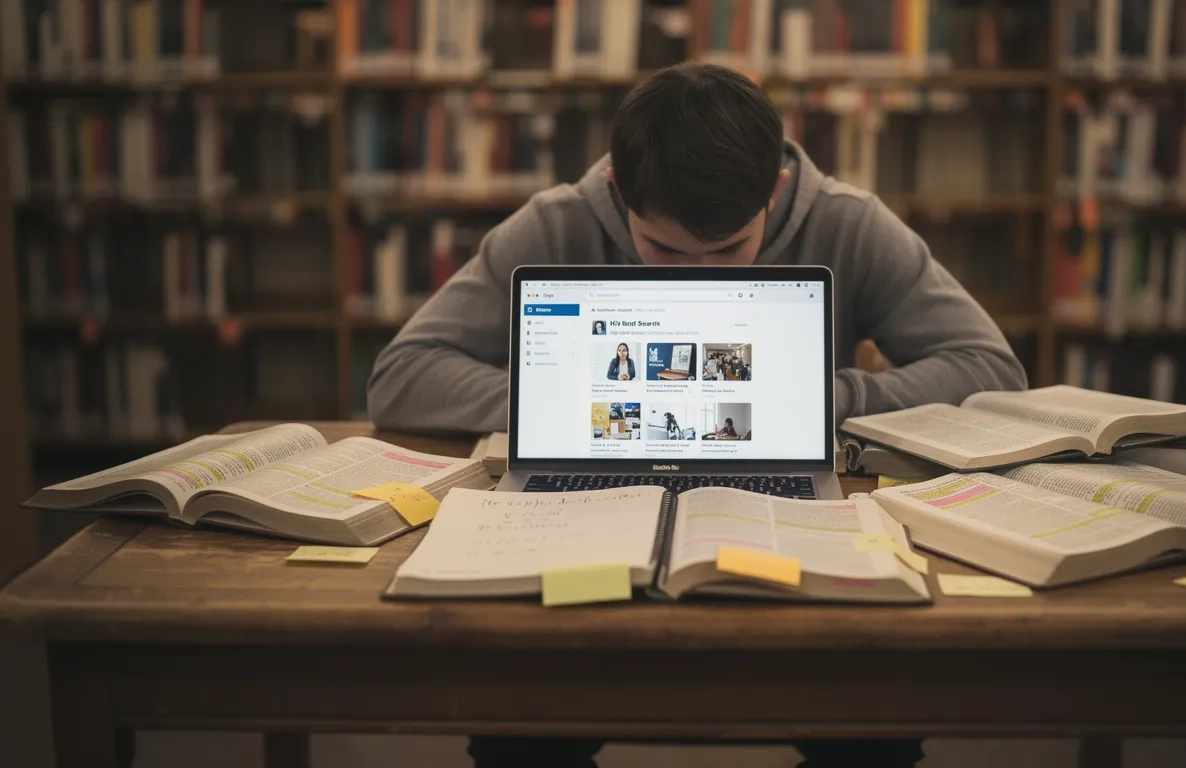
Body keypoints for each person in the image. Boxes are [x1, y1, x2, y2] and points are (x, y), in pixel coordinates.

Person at [370, 62, 1027, 768]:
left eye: (729, 252)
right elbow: (401, 375)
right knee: (520, 720)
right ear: (620, 192)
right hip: (585, 528)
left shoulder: (848, 222)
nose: (698, 275)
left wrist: (823, 399)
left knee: (868, 718)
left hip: (780, 523)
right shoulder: (557, 223)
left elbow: (993, 369)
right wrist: (563, 403)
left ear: (773, 191)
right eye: (663, 251)